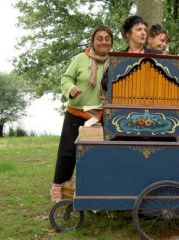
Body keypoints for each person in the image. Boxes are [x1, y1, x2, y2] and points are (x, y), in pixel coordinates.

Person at [50, 25, 113, 203]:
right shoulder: (80, 59)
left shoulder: (115, 62)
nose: (103, 41)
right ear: (92, 41)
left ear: (111, 43)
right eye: (99, 38)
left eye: (107, 39)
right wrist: (70, 89)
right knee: (68, 151)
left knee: (94, 154)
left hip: (101, 115)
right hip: (77, 112)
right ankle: (57, 187)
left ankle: (89, 189)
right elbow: (66, 78)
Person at [102, 15, 159, 91]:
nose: (143, 33)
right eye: (139, 29)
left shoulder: (155, 55)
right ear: (128, 34)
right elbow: (105, 81)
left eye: (144, 30)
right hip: (124, 100)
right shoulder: (119, 58)